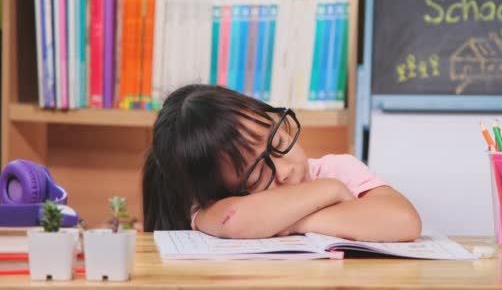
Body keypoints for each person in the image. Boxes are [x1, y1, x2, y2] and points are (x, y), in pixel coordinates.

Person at [142, 84, 421, 242]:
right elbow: (237, 221)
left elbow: (404, 221)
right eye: (256, 177)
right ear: (223, 192)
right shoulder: (211, 209)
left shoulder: (337, 170)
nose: (285, 171)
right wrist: (328, 191)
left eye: (277, 144)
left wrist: (294, 221)